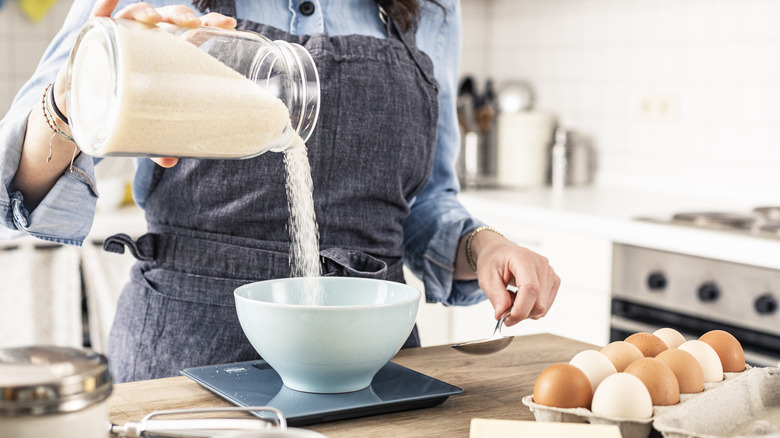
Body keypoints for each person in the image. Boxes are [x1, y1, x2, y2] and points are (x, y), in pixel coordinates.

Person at [0, 0, 560, 382]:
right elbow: (17, 185)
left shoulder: (430, 9)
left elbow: (425, 204)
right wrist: (70, 107)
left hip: (369, 374)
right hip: (186, 364)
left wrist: (484, 246)